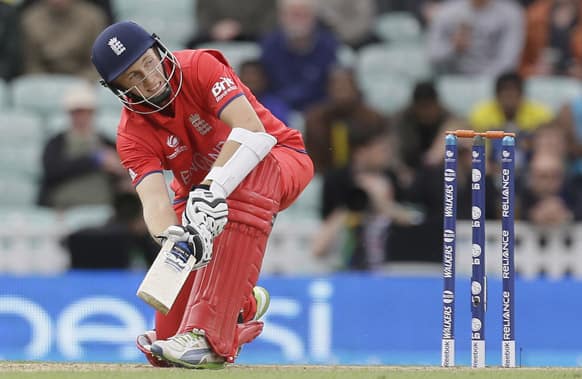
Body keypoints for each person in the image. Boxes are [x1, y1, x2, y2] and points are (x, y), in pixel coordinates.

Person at [90, 21, 314, 368]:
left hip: (278, 159)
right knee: (164, 349)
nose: (150, 79)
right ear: (117, 89)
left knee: (240, 183)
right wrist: (176, 237)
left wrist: (211, 190)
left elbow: (252, 132)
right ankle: (240, 305)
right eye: (133, 77)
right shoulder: (130, 133)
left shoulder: (199, 66)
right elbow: (155, 203)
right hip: (198, 196)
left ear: (158, 50)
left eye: (148, 62)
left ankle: (209, 337)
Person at [37, 82, 126, 209]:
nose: (81, 117)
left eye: (86, 112)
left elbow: (126, 170)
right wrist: (94, 160)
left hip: (103, 205)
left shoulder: (106, 142)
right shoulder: (56, 142)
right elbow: (52, 171)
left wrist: (118, 169)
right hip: (64, 206)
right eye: (77, 112)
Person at [260, 0, 338, 111]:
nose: (298, 20)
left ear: (315, 17)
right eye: (294, 14)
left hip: (319, 107)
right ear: (281, 17)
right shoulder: (268, 46)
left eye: (304, 14)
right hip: (278, 107)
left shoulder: (330, 46)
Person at [427, 0, 524, 76]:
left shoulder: (511, 13)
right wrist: (453, 48)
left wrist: (483, 79)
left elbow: (509, 61)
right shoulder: (446, 12)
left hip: (493, 79)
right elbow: (433, 56)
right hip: (454, 77)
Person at [20, 0, 107, 80]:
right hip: (44, 82)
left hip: (84, 83)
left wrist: (85, 83)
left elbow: (98, 63)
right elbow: (31, 64)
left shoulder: (93, 18)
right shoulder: (30, 20)